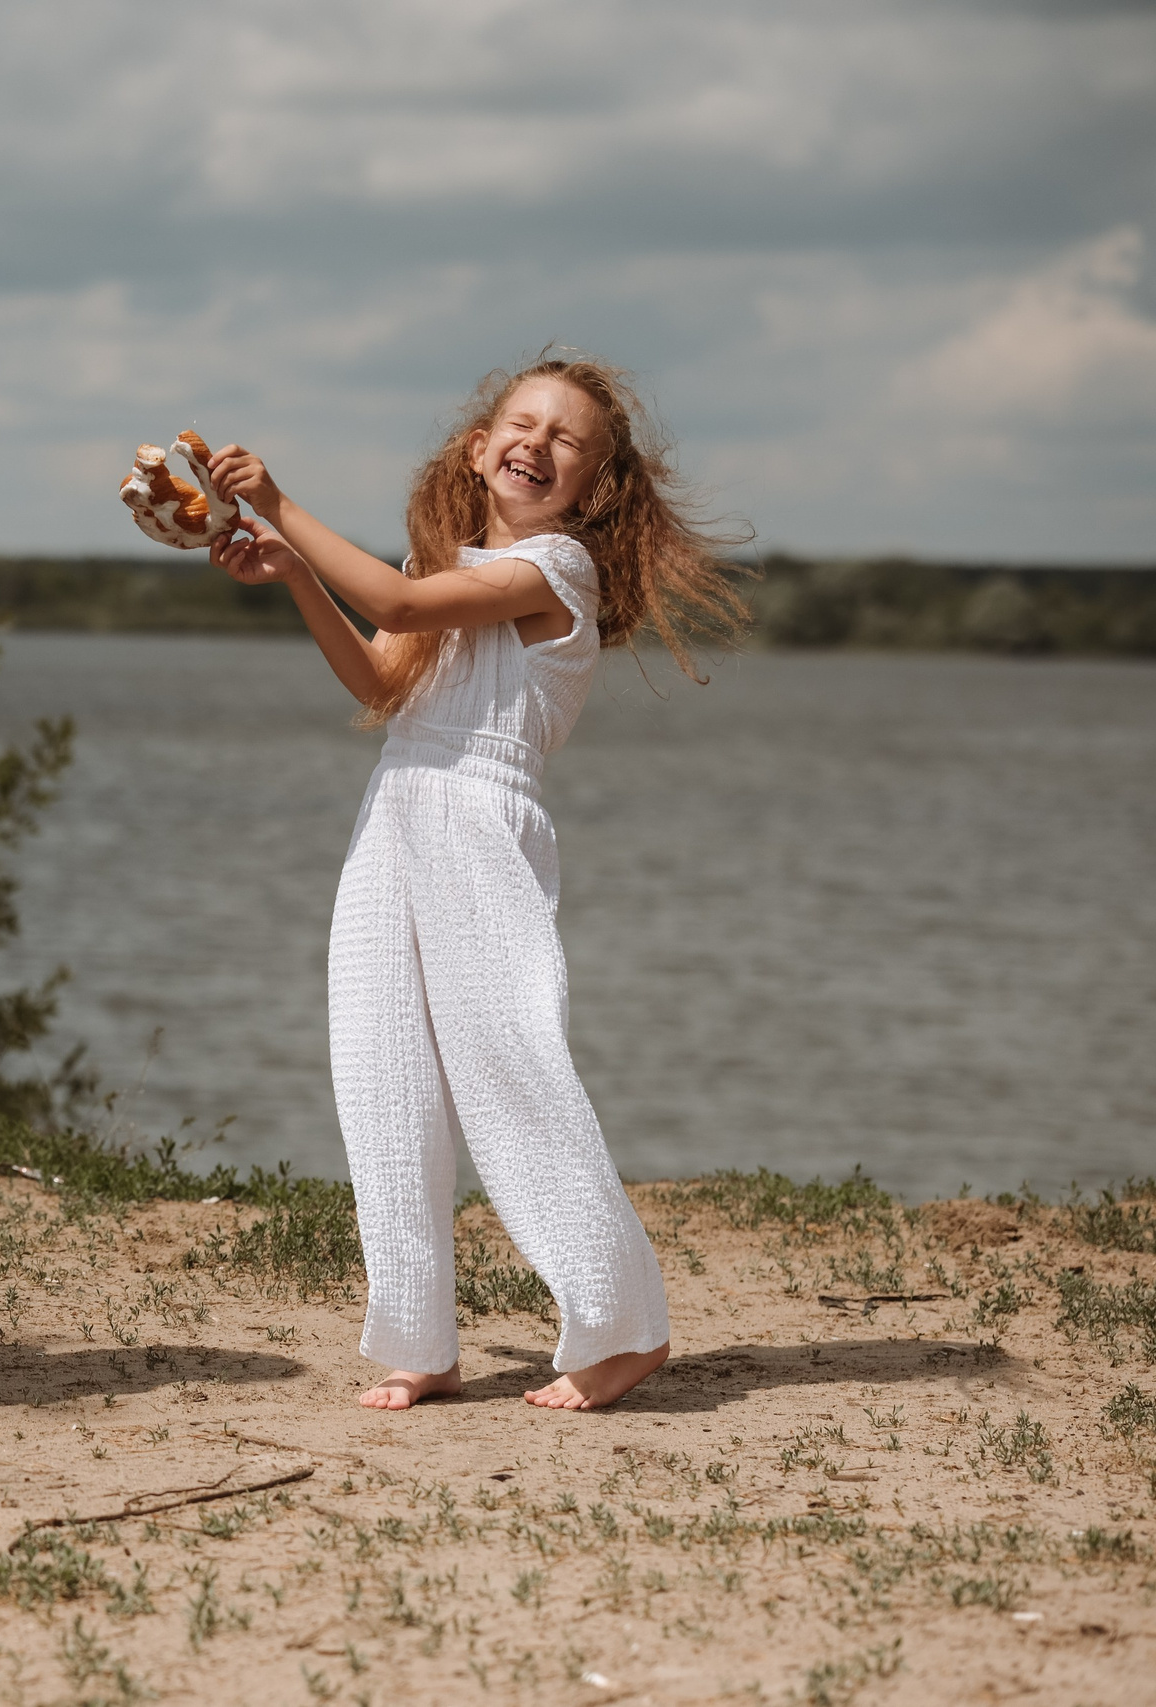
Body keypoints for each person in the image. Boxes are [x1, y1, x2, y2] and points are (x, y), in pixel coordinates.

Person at [204, 355, 749, 1411]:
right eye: (520, 424)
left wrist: (280, 505)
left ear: (593, 489)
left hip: (479, 827)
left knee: (510, 1066)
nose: (535, 445)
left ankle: (622, 1323)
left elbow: (400, 604)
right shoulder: (451, 574)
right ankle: (419, 1339)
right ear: (476, 447)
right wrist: (295, 576)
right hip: (396, 815)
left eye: (567, 440)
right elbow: (378, 672)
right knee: (382, 1073)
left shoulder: (554, 572)